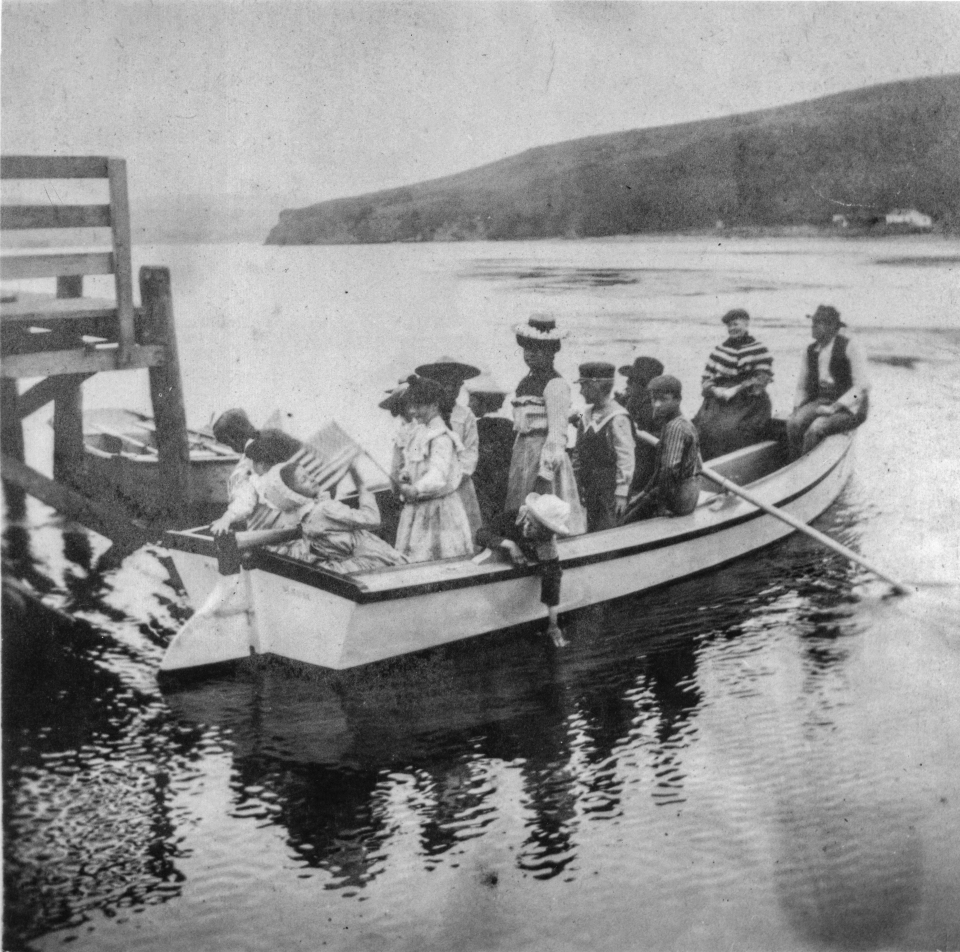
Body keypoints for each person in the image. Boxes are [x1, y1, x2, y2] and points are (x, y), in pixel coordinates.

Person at [505, 315, 586, 535]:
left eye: (538, 350)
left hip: (544, 454)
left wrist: (545, 472)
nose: (531, 355)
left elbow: (558, 433)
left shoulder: (555, 384)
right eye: (527, 349)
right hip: (524, 451)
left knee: (544, 506)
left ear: (551, 352)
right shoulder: (525, 382)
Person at [257, 459, 407, 573]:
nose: (312, 479)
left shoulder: (305, 518)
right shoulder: (324, 509)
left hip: (348, 566)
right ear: (293, 494)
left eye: (309, 475)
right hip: (372, 560)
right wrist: (360, 485)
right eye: (304, 480)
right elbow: (372, 518)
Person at [395, 375, 475, 563]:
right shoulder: (418, 433)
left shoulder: (442, 438)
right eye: (411, 406)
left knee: (440, 558)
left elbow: (438, 474)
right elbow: (411, 459)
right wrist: (406, 475)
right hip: (418, 509)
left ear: (434, 405)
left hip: (439, 510)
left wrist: (416, 488)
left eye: (419, 406)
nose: (413, 411)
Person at [475, 493, 571, 647]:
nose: (528, 527)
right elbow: (480, 534)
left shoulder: (547, 543)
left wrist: (553, 625)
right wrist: (510, 545)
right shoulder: (513, 515)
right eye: (529, 522)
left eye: (536, 528)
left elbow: (551, 581)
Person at [786, 305, 870, 458]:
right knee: (793, 423)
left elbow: (862, 387)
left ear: (831, 327)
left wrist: (834, 408)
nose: (812, 326)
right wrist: (797, 407)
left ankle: (809, 468)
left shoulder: (851, 346)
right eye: (813, 322)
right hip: (822, 401)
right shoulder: (810, 350)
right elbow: (802, 385)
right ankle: (795, 464)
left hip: (851, 407)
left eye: (817, 323)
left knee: (817, 428)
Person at [692, 309, 774, 461]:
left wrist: (736, 389)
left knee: (729, 430)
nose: (732, 329)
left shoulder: (759, 349)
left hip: (748, 401)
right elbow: (706, 378)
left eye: (735, 324)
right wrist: (714, 390)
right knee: (703, 428)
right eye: (729, 326)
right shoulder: (720, 350)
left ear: (746, 323)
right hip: (719, 399)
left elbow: (762, 379)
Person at [415, 356, 484, 535]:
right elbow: (417, 448)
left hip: (459, 484)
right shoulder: (424, 415)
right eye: (444, 384)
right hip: (429, 484)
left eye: (455, 384)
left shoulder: (465, 414)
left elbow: (470, 452)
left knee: (463, 530)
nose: (450, 389)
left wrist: (454, 479)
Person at [621, 375, 703, 523]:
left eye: (663, 399)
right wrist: (643, 494)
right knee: (632, 505)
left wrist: (661, 505)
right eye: (654, 399)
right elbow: (660, 471)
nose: (657, 404)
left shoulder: (675, 428)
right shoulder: (682, 423)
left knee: (625, 521)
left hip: (679, 497)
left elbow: (669, 469)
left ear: (678, 400)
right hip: (686, 492)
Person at [573, 362, 635, 531]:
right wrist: (577, 480)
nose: (580, 391)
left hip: (610, 489)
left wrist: (622, 492)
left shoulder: (618, 417)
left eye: (583, 386)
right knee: (591, 526)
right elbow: (579, 449)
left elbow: (626, 457)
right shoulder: (586, 414)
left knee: (609, 527)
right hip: (590, 485)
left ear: (595, 385)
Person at [209, 426, 304, 536]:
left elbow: (243, 504)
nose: (251, 466)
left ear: (262, 464)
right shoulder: (291, 476)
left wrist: (226, 519)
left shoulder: (255, 481)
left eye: (253, 462)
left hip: (264, 538)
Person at [465, 372, 514, 529]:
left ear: (482, 402)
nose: (468, 405)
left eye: (471, 400)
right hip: (506, 483)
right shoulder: (509, 425)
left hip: (484, 485)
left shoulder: (475, 427)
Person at [617, 356, 665, 494]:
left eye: (632, 380)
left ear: (644, 385)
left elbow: (662, 438)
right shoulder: (631, 400)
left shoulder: (652, 408)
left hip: (644, 466)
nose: (627, 382)